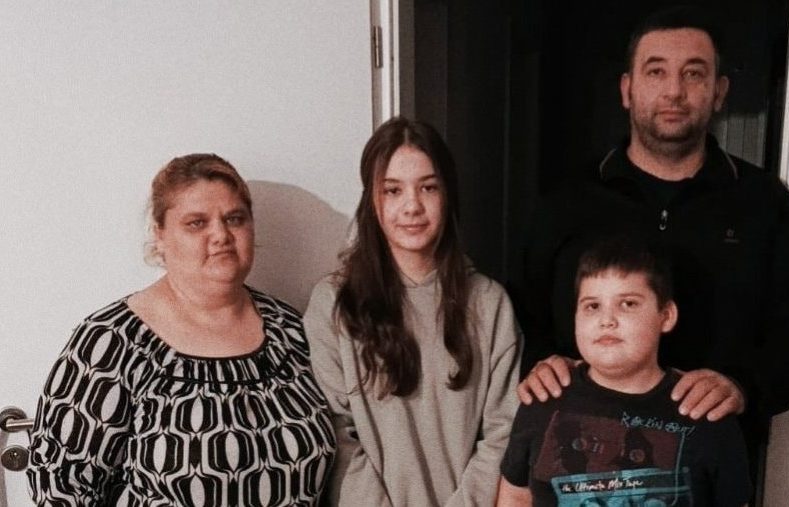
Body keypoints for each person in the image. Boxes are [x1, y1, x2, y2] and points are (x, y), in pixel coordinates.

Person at [511, 5, 789, 499]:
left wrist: (743, 386)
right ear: (627, 89)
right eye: (656, 71)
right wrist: (540, 362)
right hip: (580, 479)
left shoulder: (764, 205)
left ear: (719, 91)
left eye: (694, 73)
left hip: (707, 477)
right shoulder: (566, 205)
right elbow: (519, 315)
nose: (674, 91)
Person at [27, 154, 336, 505]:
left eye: (235, 219)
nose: (221, 235)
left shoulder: (290, 330)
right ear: (160, 235)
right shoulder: (111, 342)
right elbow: (61, 485)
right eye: (196, 223)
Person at [304, 116, 521, 506]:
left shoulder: (489, 304)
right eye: (393, 190)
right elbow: (337, 435)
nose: (412, 206)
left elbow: (503, 433)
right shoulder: (334, 303)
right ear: (371, 200)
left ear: (447, 194)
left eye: (428, 187)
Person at [498, 236, 750, 506]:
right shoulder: (543, 397)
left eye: (628, 303)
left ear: (666, 315)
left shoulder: (706, 410)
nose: (607, 320)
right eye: (592, 306)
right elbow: (515, 497)